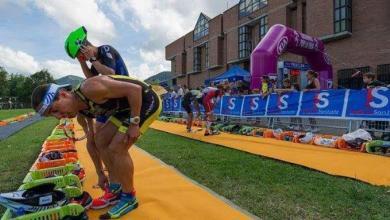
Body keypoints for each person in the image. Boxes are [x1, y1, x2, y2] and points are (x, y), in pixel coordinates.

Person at [31, 75, 161, 219]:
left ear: (63, 94)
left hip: (144, 101)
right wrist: (100, 173)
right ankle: (115, 189)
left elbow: (135, 90)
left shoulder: (91, 88)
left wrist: (135, 123)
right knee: (101, 139)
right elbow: (92, 142)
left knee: (117, 147)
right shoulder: (80, 113)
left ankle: (129, 197)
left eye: (55, 110)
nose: (59, 117)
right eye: (52, 115)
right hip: (125, 109)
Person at [64, 26, 133, 212]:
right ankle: (113, 185)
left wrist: (92, 58)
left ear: (84, 46)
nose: (83, 57)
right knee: (98, 140)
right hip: (110, 103)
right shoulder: (92, 61)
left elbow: (109, 73)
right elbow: (91, 77)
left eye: (81, 54)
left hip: (125, 100)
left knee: (116, 147)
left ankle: (124, 191)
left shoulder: (105, 50)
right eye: (79, 56)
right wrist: (83, 63)